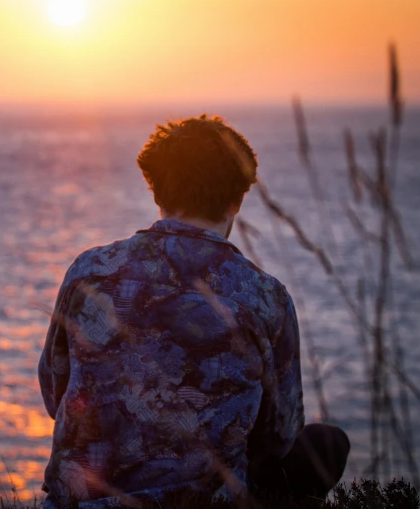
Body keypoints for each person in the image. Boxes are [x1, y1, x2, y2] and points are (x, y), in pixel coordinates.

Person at [38, 115, 349, 508]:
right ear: (237, 199)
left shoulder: (89, 271)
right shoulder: (266, 298)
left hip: (81, 503)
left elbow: (55, 394)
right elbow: (280, 436)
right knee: (327, 445)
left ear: (157, 193)